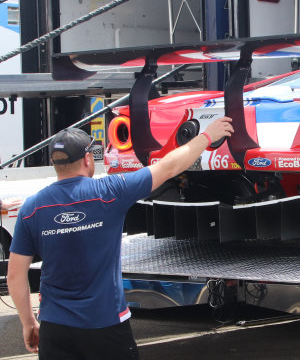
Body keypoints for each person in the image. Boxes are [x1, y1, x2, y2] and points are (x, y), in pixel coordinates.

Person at [7, 118, 233, 359]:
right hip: (106, 326)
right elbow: (168, 167)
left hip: (55, 328)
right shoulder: (110, 192)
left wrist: (29, 322)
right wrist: (207, 136)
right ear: (87, 160)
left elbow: (15, 275)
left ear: (54, 163)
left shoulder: (32, 208)